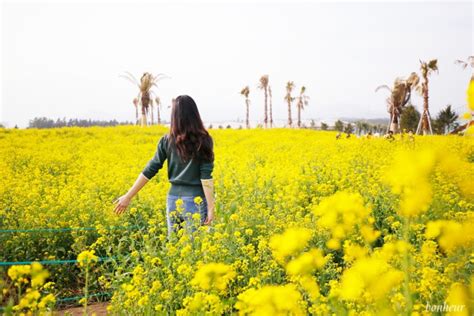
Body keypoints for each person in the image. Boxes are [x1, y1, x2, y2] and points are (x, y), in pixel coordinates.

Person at [113, 95, 215, 238]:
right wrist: (211, 208)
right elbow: (206, 177)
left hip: (173, 200)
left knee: (174, 247)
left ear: (174, 115)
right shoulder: (204, 140)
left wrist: (128, 196)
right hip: (194, 201)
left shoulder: (166, 140)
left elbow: (150, 169)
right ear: (195, 114)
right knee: (194, 251)